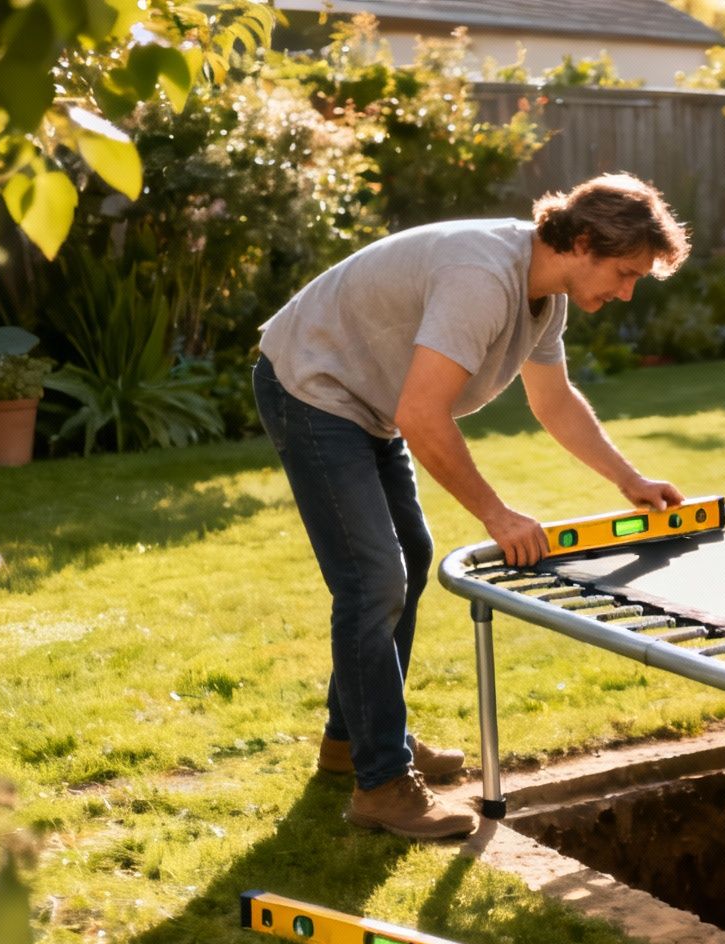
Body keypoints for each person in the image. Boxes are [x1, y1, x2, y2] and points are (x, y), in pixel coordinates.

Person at [254, 173, 691, 840]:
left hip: (365, 402)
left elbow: (554, 402)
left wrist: (629, 480)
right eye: (625, 273)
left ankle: (357, 740)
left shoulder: (543, 294)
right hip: (314, 387)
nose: (627, 291)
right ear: (580, 243)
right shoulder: (482, 279)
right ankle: (381, 783)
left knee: (409, 558)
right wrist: (497, 513)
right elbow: (422, 414)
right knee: (373, 581)